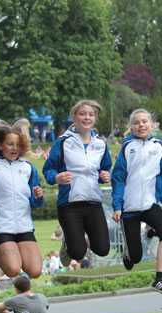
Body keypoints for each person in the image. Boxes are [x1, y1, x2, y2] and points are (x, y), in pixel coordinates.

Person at [111, 109, 162, 296]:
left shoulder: (159, 147)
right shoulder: (127, 148)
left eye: (144, 122)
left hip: (149, 204)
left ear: (152, 125)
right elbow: (118, 179)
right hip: (129, 209)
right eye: (137, 122)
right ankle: (129, 253)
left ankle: (159, 279)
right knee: (136, 257)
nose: (141, 125)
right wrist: (117, 206)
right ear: (131, 127)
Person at [43, 100, 112, 267]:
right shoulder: (63, 141)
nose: (87, 117)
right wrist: (56, 178)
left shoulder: (100, 144)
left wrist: (105, 175)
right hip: (69, 204)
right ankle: (68, 242)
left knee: (103, 249)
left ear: (95, 118)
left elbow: (106, 168)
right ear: (74, 117)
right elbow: (48, 169)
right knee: (77, 253)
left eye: (91, 114)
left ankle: (74, 239)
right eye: (82, 114)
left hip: (93, 202)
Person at [0, 122, 44, 278]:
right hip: (1, 227)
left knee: (35, 271)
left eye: (18, 145)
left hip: (24, 226)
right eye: (10, 144)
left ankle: (2, 249)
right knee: (13, 270)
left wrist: (39, 196)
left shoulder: (28, 168)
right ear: (0, 145)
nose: (14, 148)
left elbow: (36, 203)